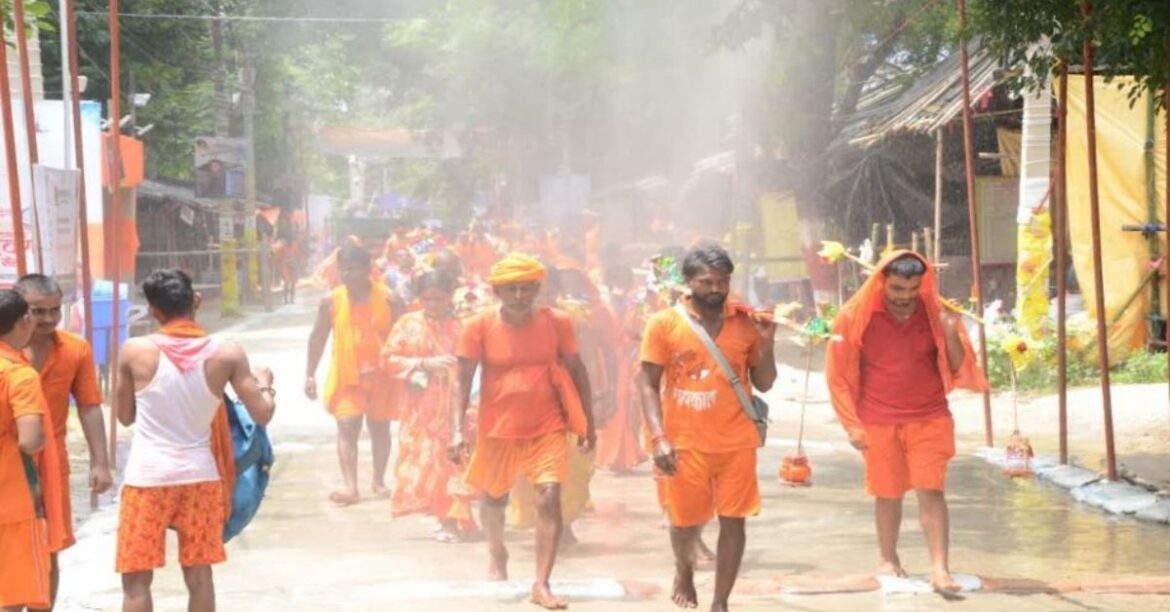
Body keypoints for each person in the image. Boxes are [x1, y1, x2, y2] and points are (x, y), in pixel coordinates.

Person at [114, 269, 276, 612]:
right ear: (196, 301)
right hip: (201, 479)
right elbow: (262, 413)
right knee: (199, 576)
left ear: (153, 310)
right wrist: (264, 383)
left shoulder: (134, 351)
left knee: (136, 581)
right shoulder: (227, 354)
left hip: (147, 478)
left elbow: (125, 416)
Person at [825, 251, 986, 594]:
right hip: (877, 420)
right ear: (882, 281)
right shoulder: (855, 315)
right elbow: (837, 376)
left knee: (932, 491)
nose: (905, 298)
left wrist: (949, 328)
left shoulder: (935, 312)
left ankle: (940, 570)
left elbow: (960, 368)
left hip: (930, 418)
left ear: (923, 284)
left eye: (913, 289)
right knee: (888, 493)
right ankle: (888, 559)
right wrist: (851, 424)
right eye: (897, 289)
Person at [448, 253, 595, 610]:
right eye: (511, 289)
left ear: (536, 289)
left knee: (548, 496)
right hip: (498, 427)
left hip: (548, 423)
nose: (519, 296)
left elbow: (577, 370)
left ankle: (541, 583)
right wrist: (455, 430)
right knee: (494, 499)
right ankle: (497, 552)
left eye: (526, 289)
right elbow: (461, 379)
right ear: (498, 291)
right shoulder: (478, 326)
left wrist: (587, 421)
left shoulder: (557, 322)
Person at [639, 241, 777, 612]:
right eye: (706, 282)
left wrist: (768, 343)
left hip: (737, 441)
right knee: (685, 523)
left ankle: (720, 601)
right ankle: (683, 569)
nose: (715, 289)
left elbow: (764, 383)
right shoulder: (663, 323)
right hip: (684, 442)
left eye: (722, 281)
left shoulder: (746, 323)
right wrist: (658, 438)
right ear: (687, 282)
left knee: (734, 522)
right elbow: (647, 383)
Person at [15, 274, 113, 610]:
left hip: (52, 463)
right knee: (10, 549)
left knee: (49, 548)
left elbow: (88, 406)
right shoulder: (4, 351)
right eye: (36, 311)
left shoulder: (75, 348)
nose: (47, 319)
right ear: (19, 311)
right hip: (7, 465)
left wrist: (100, 462)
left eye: (54, 310)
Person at [383, 271, 476, 542]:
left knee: (456, 461)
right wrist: (423, 364)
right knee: (433, 465)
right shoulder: (407, 324)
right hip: (420, 408)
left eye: (438, 298)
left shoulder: (463, 326)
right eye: (427, 299)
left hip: (457, 405)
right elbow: (388, 359)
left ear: (449, 297)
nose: (433, 304)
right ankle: (446, 519)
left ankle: (456, 518)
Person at [306, 244, 400, 506]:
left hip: (383, 376)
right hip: (347, 376)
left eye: (353, 269)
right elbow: (317, 338)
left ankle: (379, 480)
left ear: (367, 270)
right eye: (343, 270)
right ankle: (351, 487)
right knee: (347, 426)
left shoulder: (390, 298)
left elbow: (407, 333)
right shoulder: (331, 301)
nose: (347, 275)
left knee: (380, 427)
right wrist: (310, 374)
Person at [0, 289, 61, 611]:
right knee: (20, 594)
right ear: (24, 322)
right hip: (14, 498)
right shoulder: (19, 375)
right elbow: (29, 439)